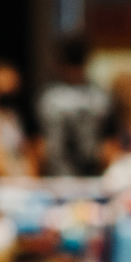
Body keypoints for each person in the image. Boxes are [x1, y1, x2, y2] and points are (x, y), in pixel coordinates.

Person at [38, 37, 110, 177]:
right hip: (59, 178)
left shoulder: (47, 98)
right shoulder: (48, 98)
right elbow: (38, 147)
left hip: (88, 178)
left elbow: (109, 146)